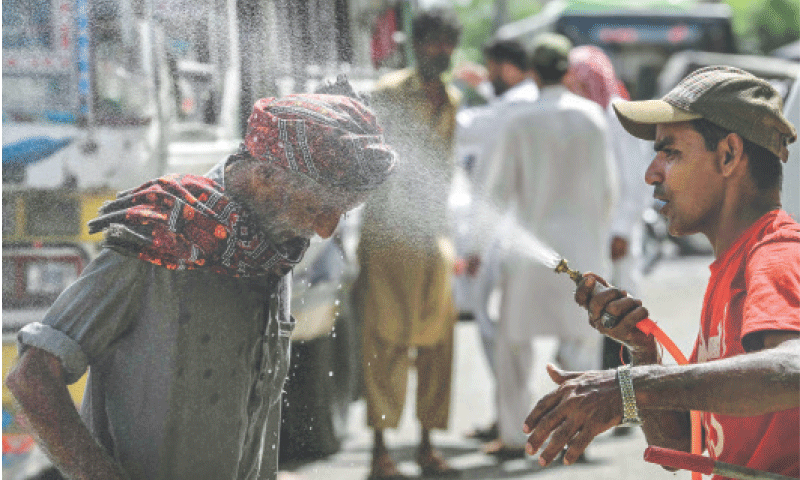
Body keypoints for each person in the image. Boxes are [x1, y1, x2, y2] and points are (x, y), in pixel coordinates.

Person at [4, 87, 396, 480]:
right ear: (263, 177)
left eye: (340, 213)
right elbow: (33, 378)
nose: (326, 230)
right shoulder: (162, 242)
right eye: (316, 207)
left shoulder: (271, 250)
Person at [522, 66, 800, 479]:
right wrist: (641, 354)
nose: (651, 173)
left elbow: (794, 370)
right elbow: (680, 449)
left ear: (728, 155)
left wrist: (628, 388)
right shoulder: (732, 266)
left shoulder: (776, 255)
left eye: (670, 153)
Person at [478, 33, 617, 459]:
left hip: (531, 253)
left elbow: (496, 194)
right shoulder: (593, 118)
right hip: (582, 252)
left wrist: (481, 246)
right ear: (567, 72)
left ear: (533, 73)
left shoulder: (520, 121)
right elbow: (609, 191)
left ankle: (515, 435)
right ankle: (577, 435)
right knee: (579, 346)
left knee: (514, 346)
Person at [353, 8, 462, 479]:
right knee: (385, 342)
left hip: (433, 237)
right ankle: (380, 452)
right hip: (387, 237)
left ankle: (426, 445)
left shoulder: (453, 100)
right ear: (416, 45)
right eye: (434, 42)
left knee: (439, 344)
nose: (442, 51)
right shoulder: (387, 93)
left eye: (448, 43)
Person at [451, 37, 540, 446]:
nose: (489, 76)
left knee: (497, 331)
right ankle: (510, 417)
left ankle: (515, 425)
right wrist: (483, 87)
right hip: (523, 233)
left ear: (506, 66)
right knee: (508, 331)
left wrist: (451, 94)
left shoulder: (512, 108)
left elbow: (465, 129)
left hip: (503, 237)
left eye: (492, 69)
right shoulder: (529, 101)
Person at [564, 46, 652, 388]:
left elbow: (634, 181)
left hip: (617, 234)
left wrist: (621, 231)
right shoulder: (583, 118)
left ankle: (626, 396)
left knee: (621, 316)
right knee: (595, 317)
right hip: (592, 231)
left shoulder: (617, 117)